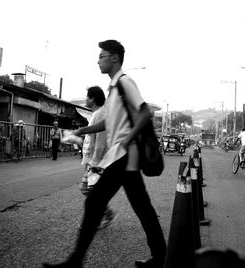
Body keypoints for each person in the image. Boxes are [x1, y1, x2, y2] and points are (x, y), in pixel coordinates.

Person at [43, 40, 166, 268]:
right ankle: (161, 257)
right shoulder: (113, 88)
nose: (98, 60)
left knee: (95, 203)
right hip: (122, 157)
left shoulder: (125, 82)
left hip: (124, 155)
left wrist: (128, 138)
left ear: (115, 58)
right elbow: (109, 122)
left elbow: (144, 113)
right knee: (142, 207)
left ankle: (75, 261)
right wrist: (83, 129)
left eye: (102, 56)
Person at [80, 85, 116, 229]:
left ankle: (95, 220)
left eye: (88, 97)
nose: (86, 99)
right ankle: (106, 213)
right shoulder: (96, 114)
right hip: (94, 160)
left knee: (90, 190)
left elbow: (100, 142)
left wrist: (93, 164)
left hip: (98, 161)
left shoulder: (100, 114)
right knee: (89, 190)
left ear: (93, 99)